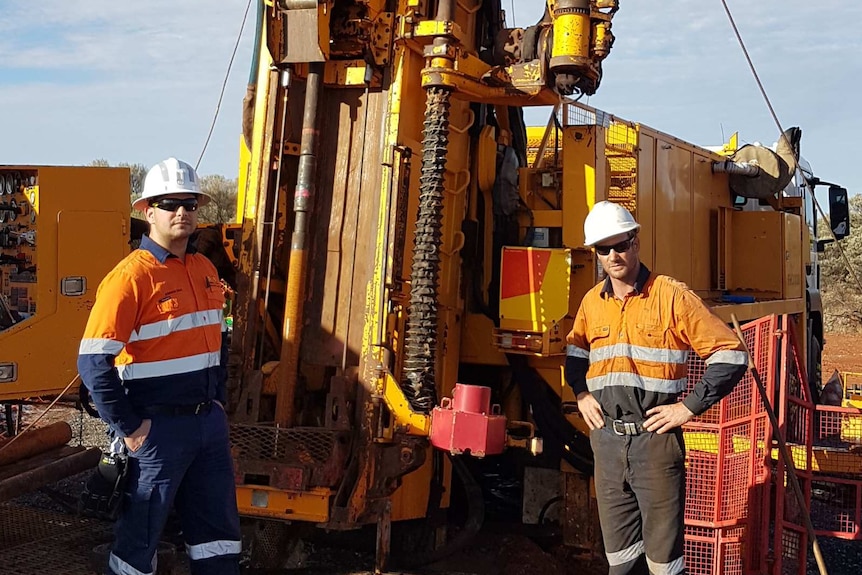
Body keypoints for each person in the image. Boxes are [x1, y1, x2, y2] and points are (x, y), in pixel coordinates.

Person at [565, 201, 748, 575]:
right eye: (604, 248)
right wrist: (581, 395)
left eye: (620, 244)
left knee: (663, 565)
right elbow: (574, 354)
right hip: (608, 443)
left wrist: (687, 409)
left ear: (635, 241)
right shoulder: (590, 303)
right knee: (620, 562)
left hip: (655, 442)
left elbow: (731, 355)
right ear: (595, 253)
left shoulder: (671, 296)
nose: (613, 255)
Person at [77, 158, 241, 575]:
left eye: (189, 203)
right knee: (140, 539)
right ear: (148, 211)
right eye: (170, 203)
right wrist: (130, 428)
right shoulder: (130, 278)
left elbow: (217, 342)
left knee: (218, 536)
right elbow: (94, 362)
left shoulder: (204, 270)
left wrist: (218, 401)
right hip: (157, 431)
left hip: (206, 425)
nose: (182, 212)